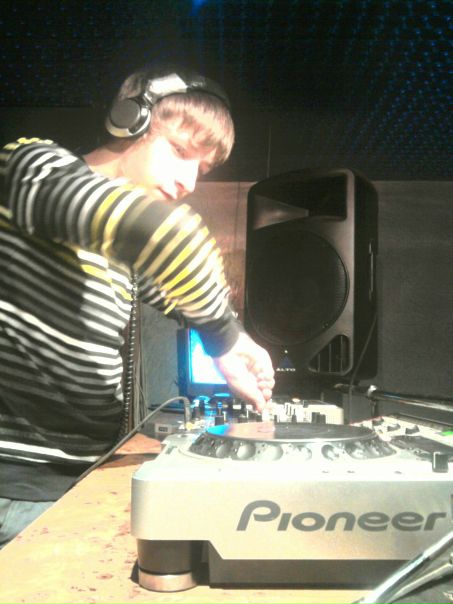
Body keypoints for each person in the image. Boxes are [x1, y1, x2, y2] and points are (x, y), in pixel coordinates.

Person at [0, 66, 275, 547]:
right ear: (129, 121)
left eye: (202, 169)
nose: (189, 181)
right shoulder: (29, 167)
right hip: (17, 487)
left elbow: (182, 290)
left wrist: (237, 342)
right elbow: (171, 238)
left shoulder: (120, 246)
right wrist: (224, 340)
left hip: (76, 479)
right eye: (180, 151)